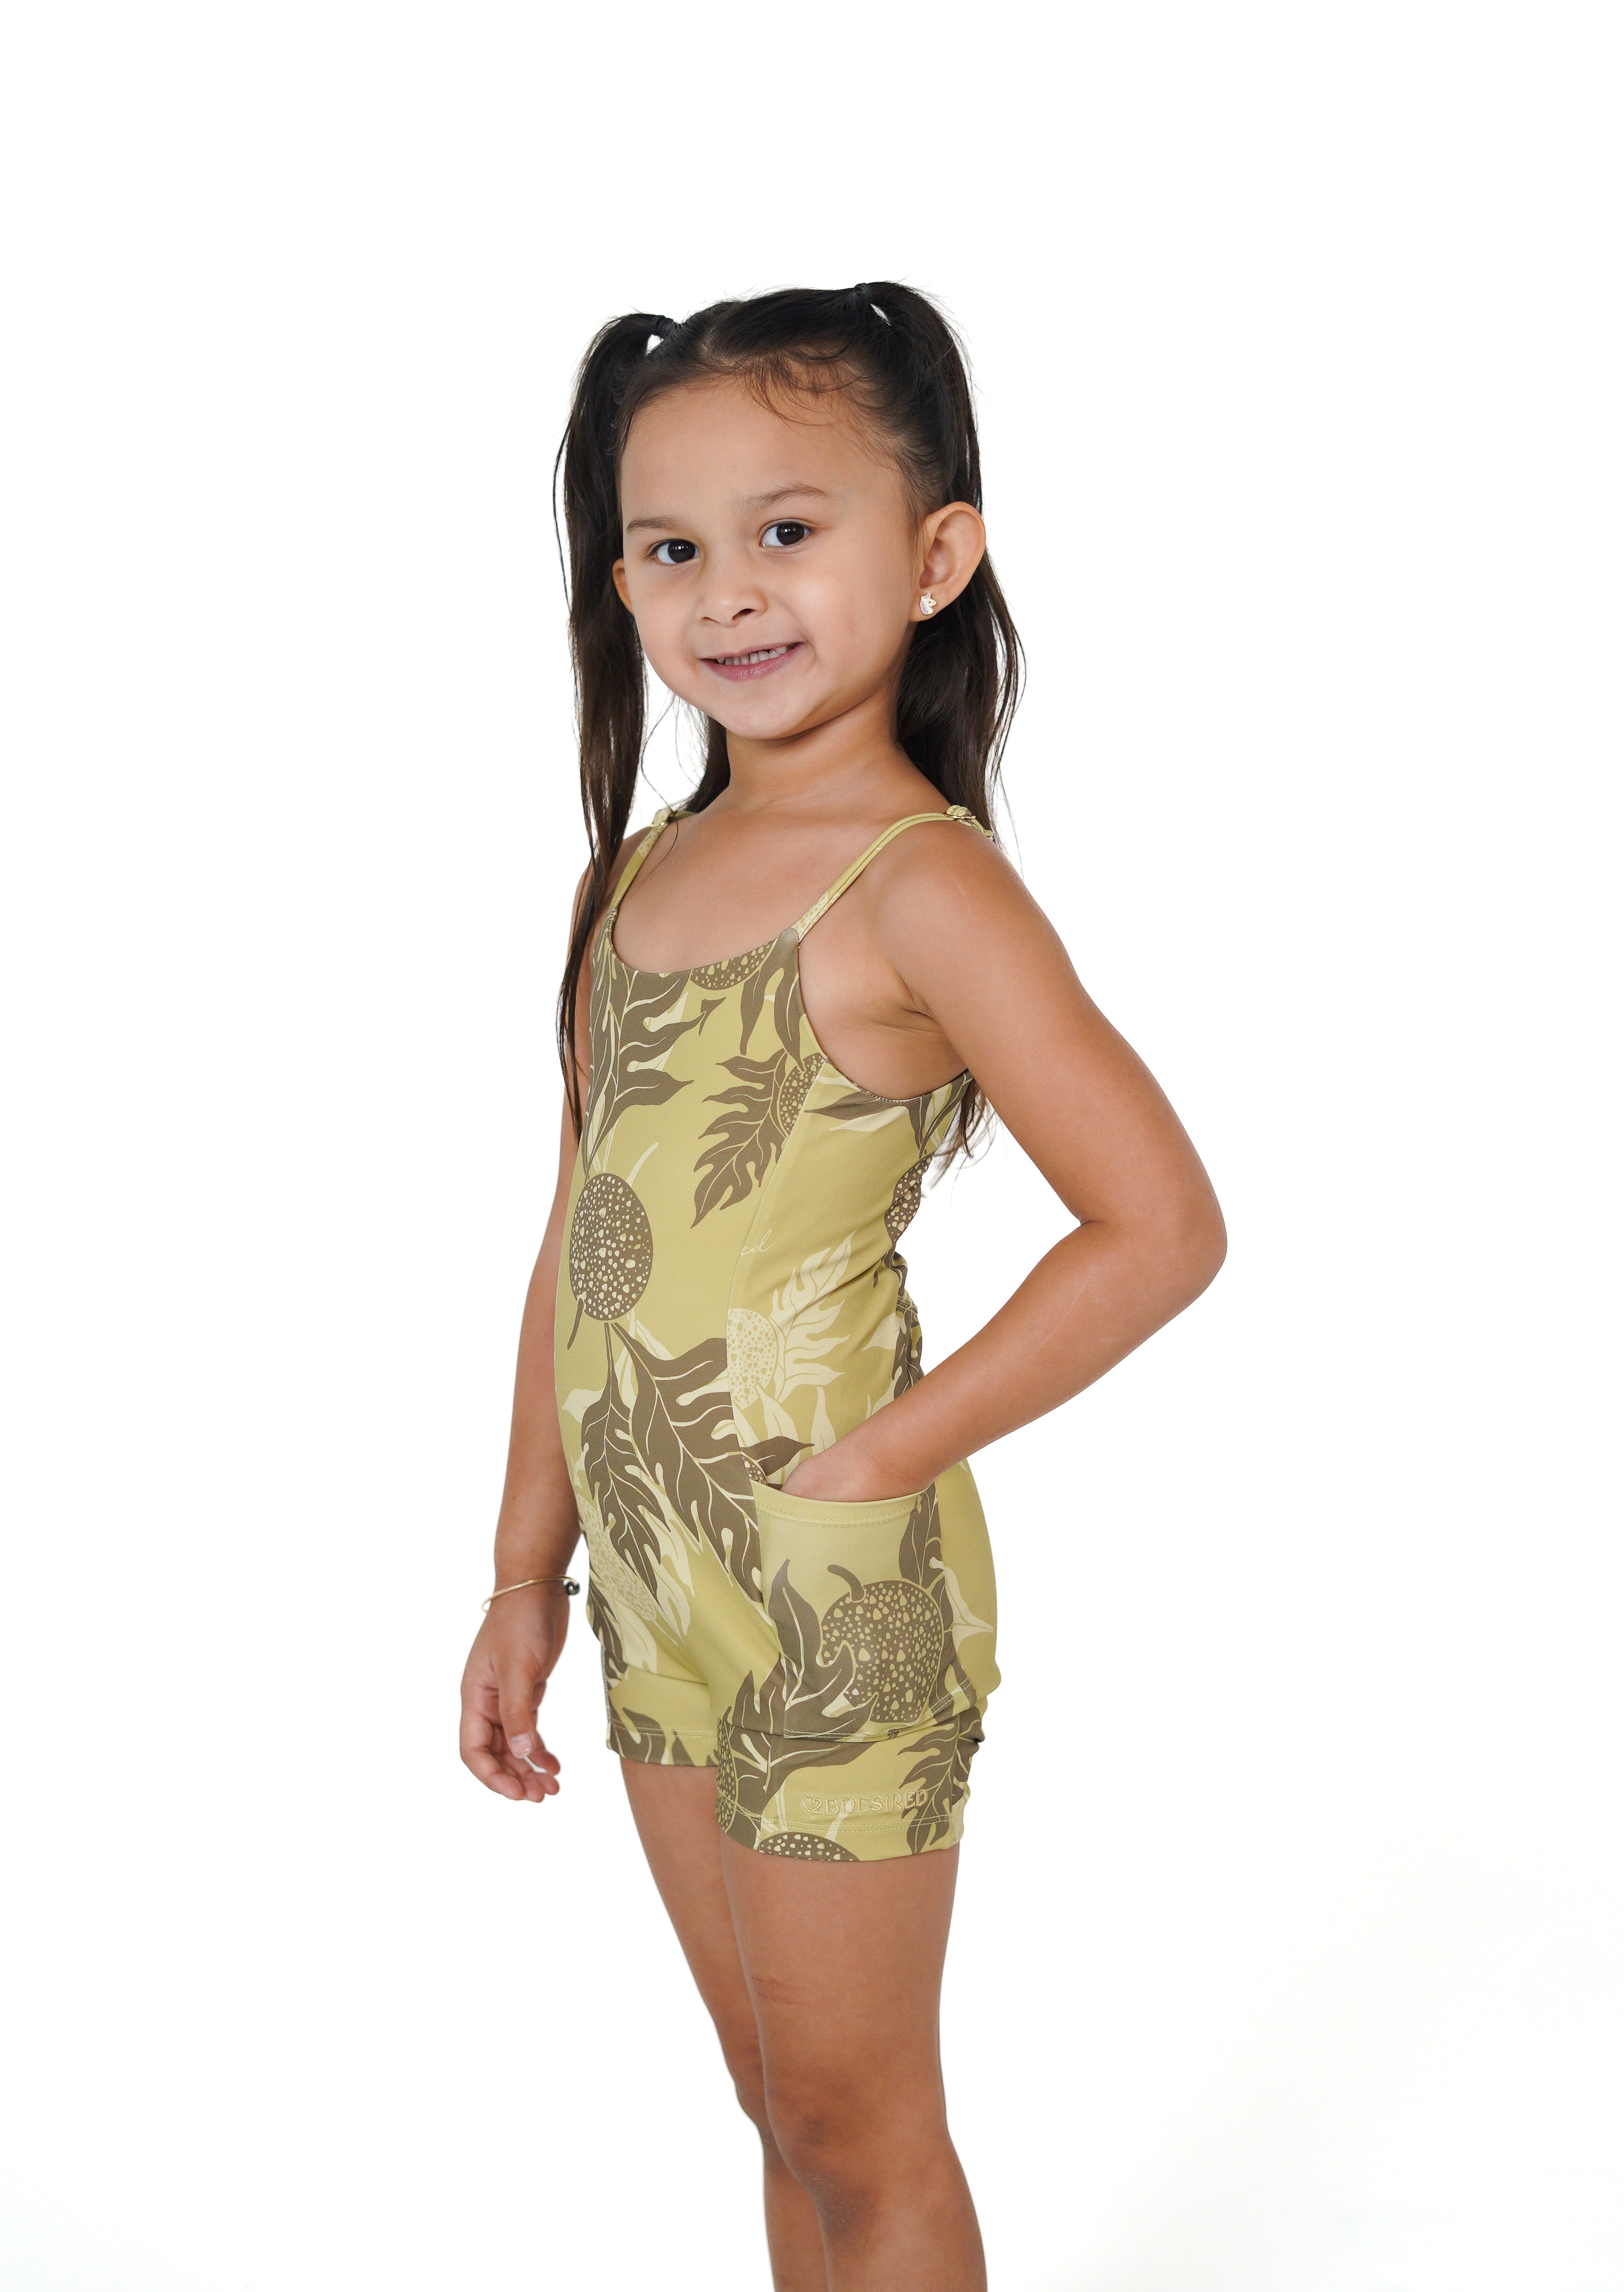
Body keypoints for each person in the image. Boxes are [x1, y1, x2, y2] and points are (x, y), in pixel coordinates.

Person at [459, 282, 1226, 2291]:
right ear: (618, 581)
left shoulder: (920, 884)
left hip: (828, 1584)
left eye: (787, 530)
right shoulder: (631, 881)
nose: (727, 589)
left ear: (936, 553)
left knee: (861, 2127)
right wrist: (525, 1570)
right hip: (652, 1574)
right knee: (777, 2104)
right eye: (669, 547)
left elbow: (1158, 1223)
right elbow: (578, 1237)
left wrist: (878, 1456)